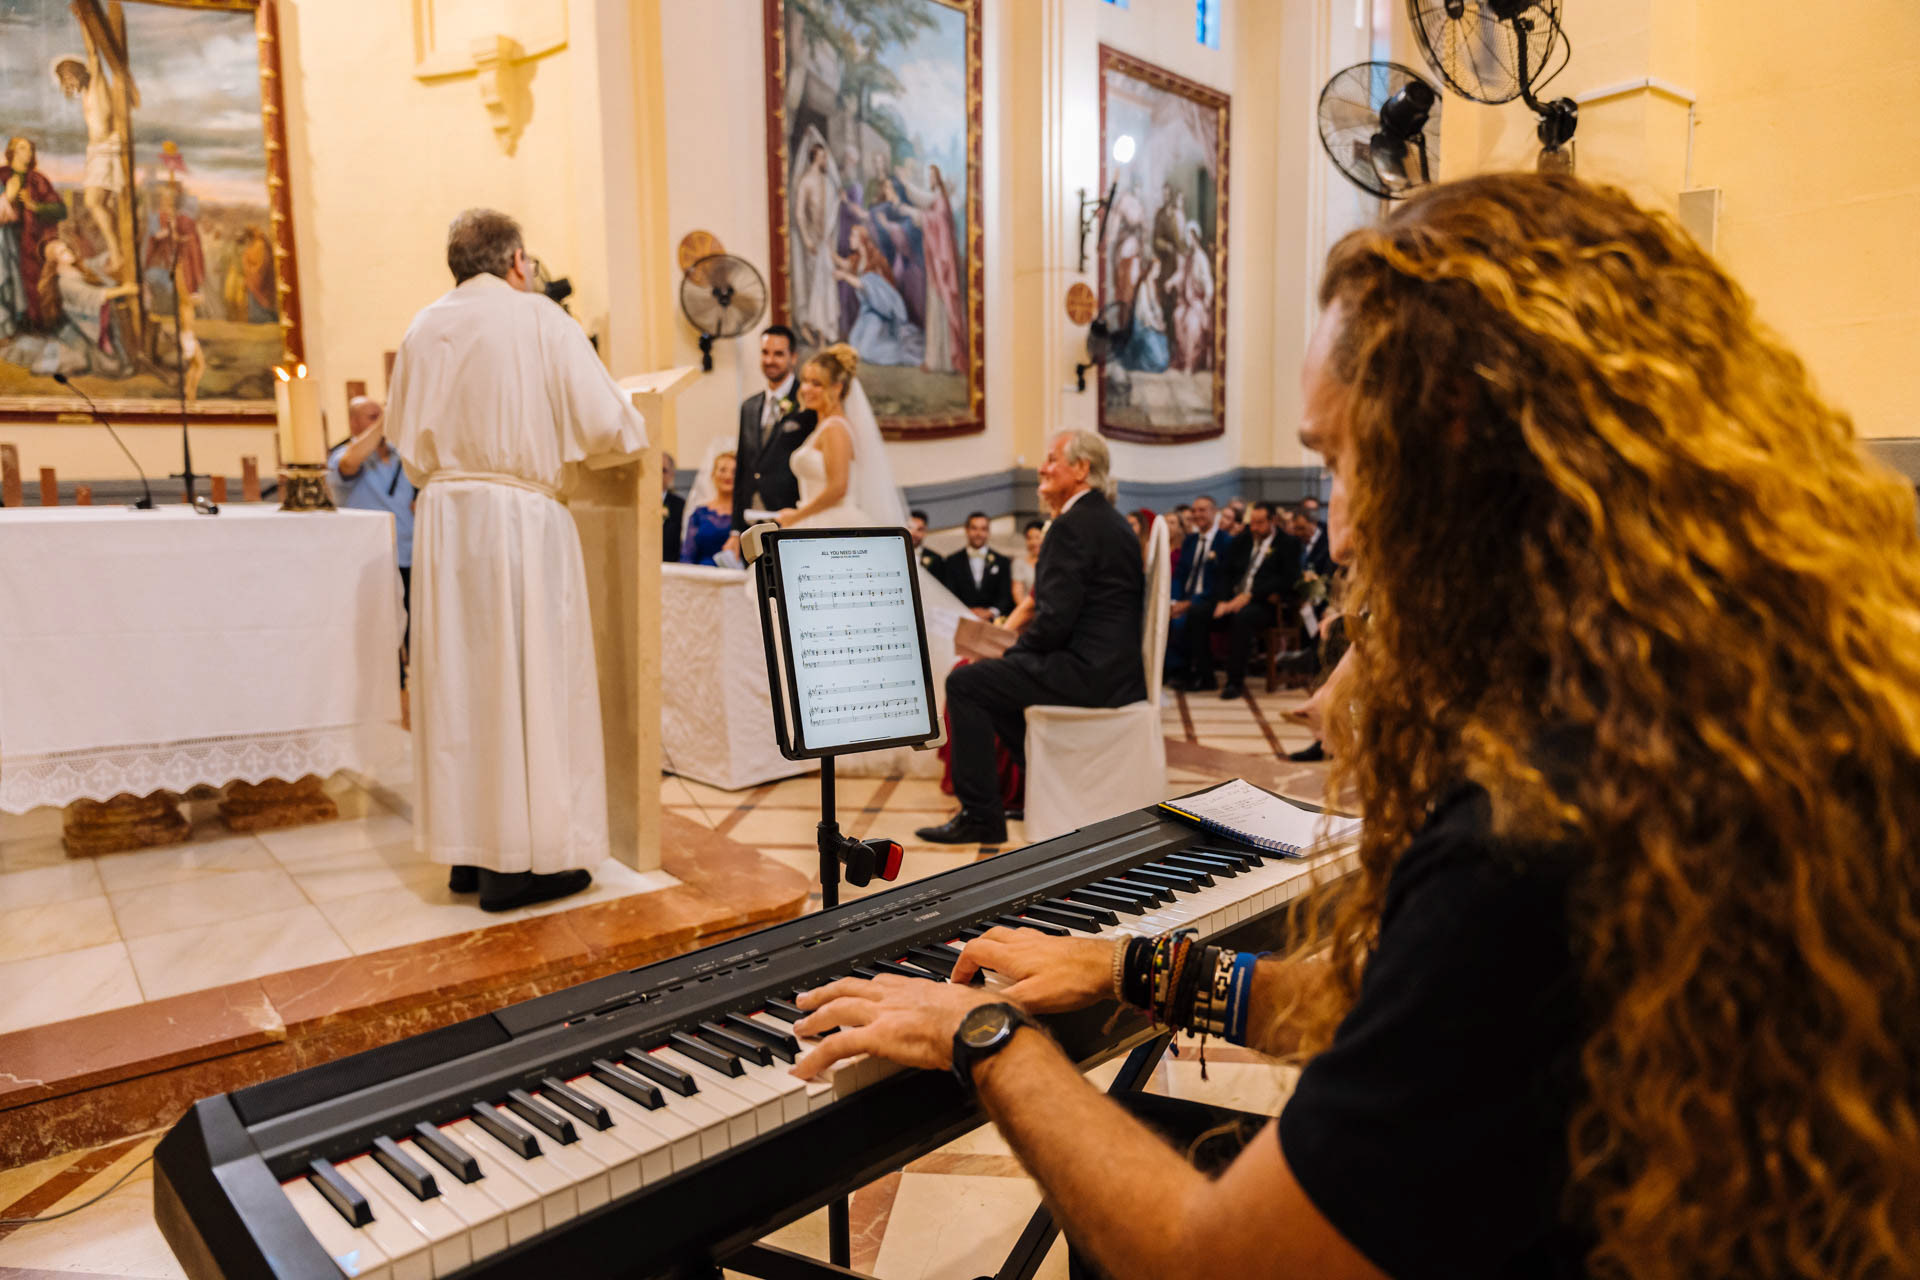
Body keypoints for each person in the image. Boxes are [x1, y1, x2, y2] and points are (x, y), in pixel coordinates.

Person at [789, 171, 1920, 1280]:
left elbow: (1209, 1258)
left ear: (1456, 456)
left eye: (1337, 462)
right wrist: (1136, 963)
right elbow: (1395, 1008)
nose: (1335, 534)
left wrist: (984, 1040)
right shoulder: (1740, 702)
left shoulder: (1534, 823)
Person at [388, 208, 646, 913]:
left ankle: (471, 856)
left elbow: (403, 440)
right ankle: (520, 867)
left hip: (445, 523)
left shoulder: (422, 326)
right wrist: (634, 418)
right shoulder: (539, 319)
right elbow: (608, 426)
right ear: (518, 261)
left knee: (466, 686)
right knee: (528, 680)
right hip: (517, 521)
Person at [917, 431, 1145, 845]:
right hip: (1115, 672)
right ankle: (1043, 781)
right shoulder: (1109, 520)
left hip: (1088, 674)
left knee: (966, 682)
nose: (1041, 467)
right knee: (995, 679)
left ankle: (981, 816)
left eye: (1051, 459)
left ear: (1081, 469)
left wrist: (1012, 649)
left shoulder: (1071, 526)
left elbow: (1055, 620)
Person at [327, 396, 415, 679]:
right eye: (371, 416)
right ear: (353, 422)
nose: (379, 421)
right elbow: (349, 464)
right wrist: (383, 423)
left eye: (381, 415)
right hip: (370, 559)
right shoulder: (344, 454)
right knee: (380, 630)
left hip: (409, 554)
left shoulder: (402, 455)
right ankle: (387, 690)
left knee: (417, 628)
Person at [1176, 501, 1301, 700]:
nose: (1255, 528)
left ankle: (1235, 681)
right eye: (1252, 523)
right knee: (1197, 613)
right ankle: (1205, 676)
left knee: (1242, 618)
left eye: (1260, 523)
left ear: (1273, 521)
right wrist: (1222, 601)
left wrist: (1250, 596)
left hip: (1263, 604)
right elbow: (1226, 573)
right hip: (1232, 600)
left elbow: (1287, 579)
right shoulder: (1243, 540)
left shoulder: (1289, 544)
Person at [732, 325, 814, 531]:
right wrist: (735, 528)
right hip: (751, 519)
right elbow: (742, 467)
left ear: (793, 357)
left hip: (791, 516)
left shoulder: (809, 404)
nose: (770, 360)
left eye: (778, 354)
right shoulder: (748, 407)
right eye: (765, 353)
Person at [54, 39, 123, 272]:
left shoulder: (96, 85)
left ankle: (117, 253)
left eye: (68, 77)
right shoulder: (85, 94)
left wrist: (85, 18)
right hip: (97, 152)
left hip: (105, 150)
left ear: (77, 73)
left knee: (94, 202)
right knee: (101, 203)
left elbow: (94, 53)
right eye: (64, 81)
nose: (67, 83)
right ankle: (118, 251)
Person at [0, 137, 68, 335]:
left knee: (34, 285)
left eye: (30, 148)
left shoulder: (38, 179)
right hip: (7, 240)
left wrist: (35, 207)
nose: (27, 152)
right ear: (12, 151)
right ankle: (11, 325)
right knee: (9, 281)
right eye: (22, 148)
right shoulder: (1, 175)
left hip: (33, 242)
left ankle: (38, 324)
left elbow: (60, 210)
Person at [836, 224, 924, 368]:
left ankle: (901, 353)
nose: (850, 239)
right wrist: (825, 249)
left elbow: (870, 287)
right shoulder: (857, 259)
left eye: (853, 236)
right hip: (866, 313)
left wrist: (845, 276)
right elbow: (843, 264)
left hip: (880, 315)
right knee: (853, 344)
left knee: (865, 351)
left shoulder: (875, 261)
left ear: (862, 240)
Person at [943, 511, 1014, 621]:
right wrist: (966, 611)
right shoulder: (952, 561)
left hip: (992, 622)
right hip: (960, 620)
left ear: (988, 532)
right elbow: (948, 593)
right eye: (974, 528)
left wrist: (991, 612)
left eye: (983, 529)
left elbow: (1005, 595)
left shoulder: (1002, 561)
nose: (978, 533)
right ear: (966, 530)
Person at [679, 451, 738, 566]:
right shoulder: (699, 514)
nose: (728, 476)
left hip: (736, 578)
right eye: (722, 470)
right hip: (702, 576)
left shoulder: (743, 515)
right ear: (713, 474)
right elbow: (687, 555)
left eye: (734, 472)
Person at [1011, 518, 1044, 607]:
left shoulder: (1053, 561)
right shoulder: (1019, 563)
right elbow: (1017, 593)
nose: (1034, 542)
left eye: (1037, 537)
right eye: (1029, 538)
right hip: (1026, 611)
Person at [659, 449, 685, 564]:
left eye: (663, 470)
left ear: (671, 475)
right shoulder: (637, 505)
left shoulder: (681, 505)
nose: (657, 475)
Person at [909, 509, 945, 578]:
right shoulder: (894, 556)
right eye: (910, 528)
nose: (913, 533)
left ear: (925, 531)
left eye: (919, 529)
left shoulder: (936, 559)